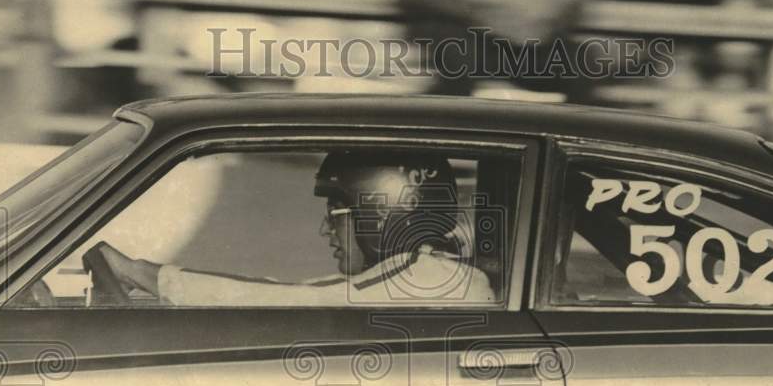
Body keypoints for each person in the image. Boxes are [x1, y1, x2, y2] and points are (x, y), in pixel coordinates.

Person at [95, 149, 497, 306]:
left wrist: (145, 274)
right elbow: (289, 288)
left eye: (337, 215)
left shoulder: (428, 279)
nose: (327, 234)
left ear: (383, 213)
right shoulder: (435, 272)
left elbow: (292, 299)